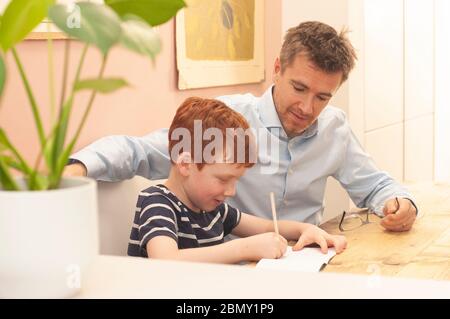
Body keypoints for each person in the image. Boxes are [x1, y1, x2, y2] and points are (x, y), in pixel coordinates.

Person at [66, 21, 418, 232]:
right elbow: (141, 151)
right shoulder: (228, 120)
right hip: (236, 269)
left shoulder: (335, 128)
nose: (307, 108)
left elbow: (376, 185)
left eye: (323, 97)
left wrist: (400, 203)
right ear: (278, 68)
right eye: (299, 88)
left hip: (309, 263)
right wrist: (77, 168)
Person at [128, 97, 347, 263]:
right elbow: (165, 261)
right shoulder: (157, 203)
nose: (231, 192)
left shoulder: (213, 210)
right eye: (223, 179)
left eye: (236, 181)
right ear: (185, 164)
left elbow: (268, 226)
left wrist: (304, 230)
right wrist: (244, 249)